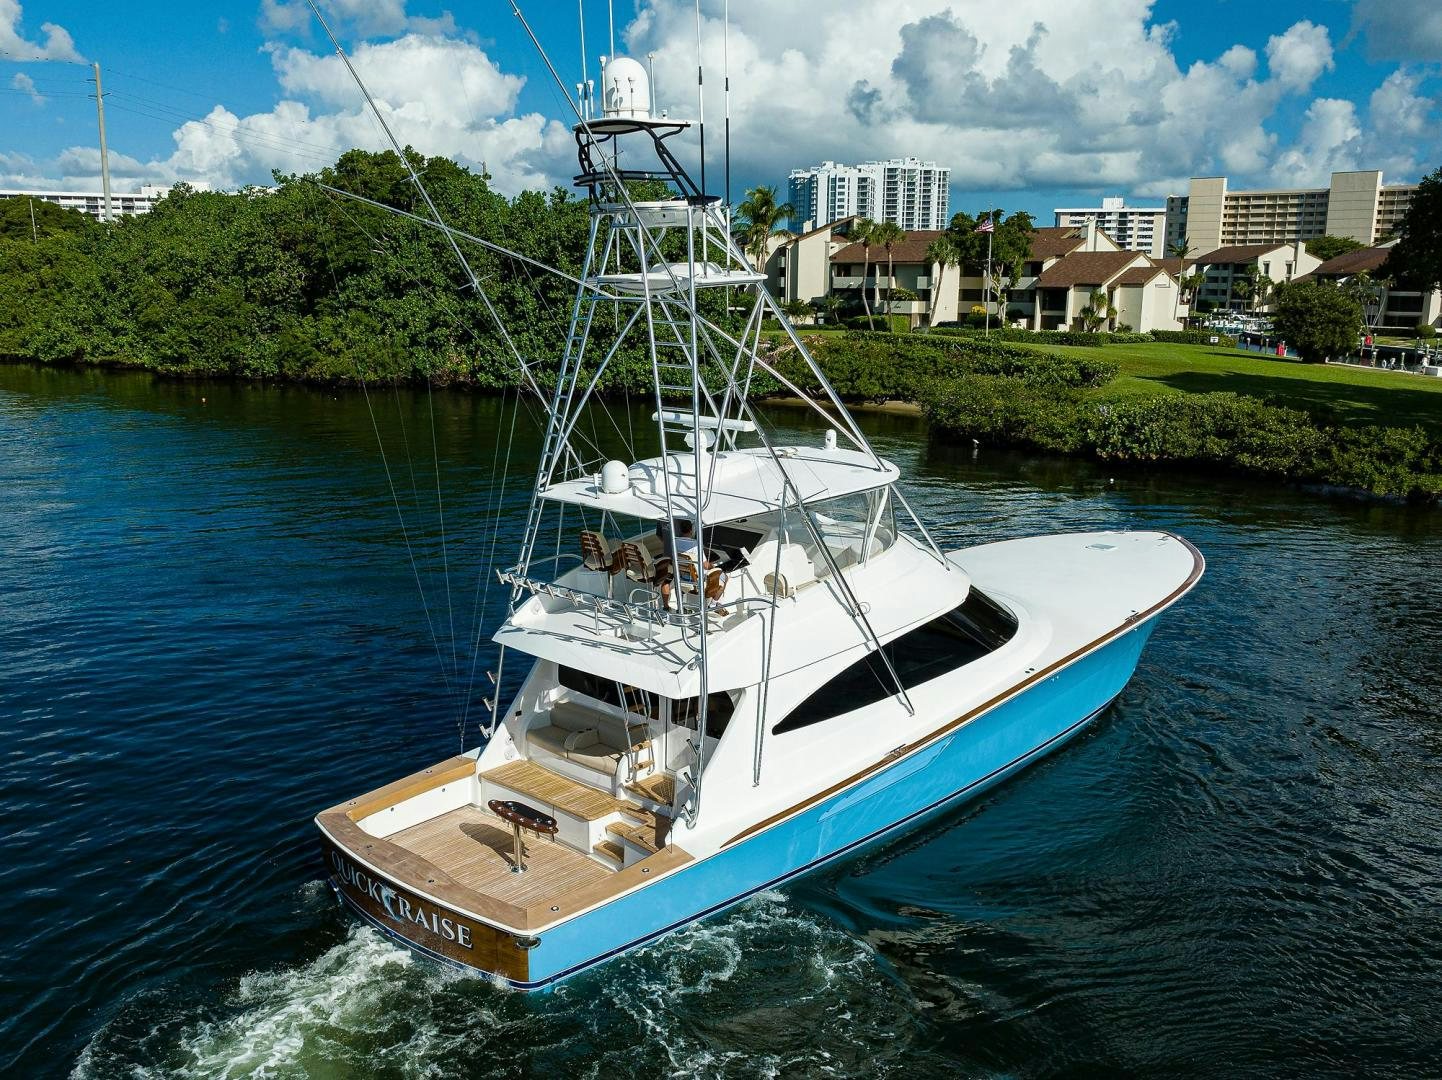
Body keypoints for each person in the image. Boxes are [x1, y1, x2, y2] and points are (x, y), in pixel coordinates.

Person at [658, 519, 727, 614]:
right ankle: (713, 604)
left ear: (681, 530)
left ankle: (680, 606)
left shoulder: (674, 542)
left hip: (681, 577)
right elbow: (705, 565)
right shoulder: (695, 544)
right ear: (691, 530)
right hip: (696, 580)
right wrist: (714, 567)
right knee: (724, 576)